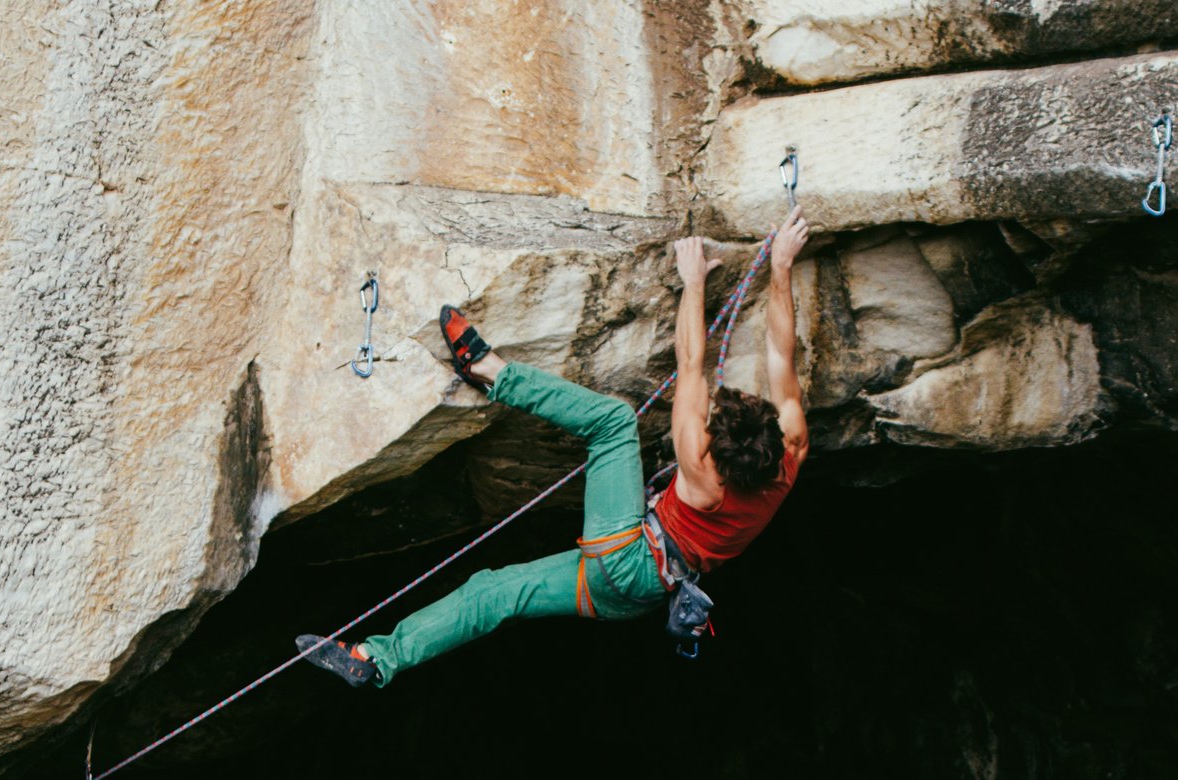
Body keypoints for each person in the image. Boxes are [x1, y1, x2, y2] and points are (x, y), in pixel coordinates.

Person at [296, 208, 815, 687]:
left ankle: (488, 370)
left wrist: (695, 282)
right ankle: (374, 659)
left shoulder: (704, 471)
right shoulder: (789, 458)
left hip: (627, 555)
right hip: (639, 596)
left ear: (716, 457)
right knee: (494, 593)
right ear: (775, 446)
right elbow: (780, 351)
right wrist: (782, 265)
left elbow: (691, 362)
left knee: (613, 422)